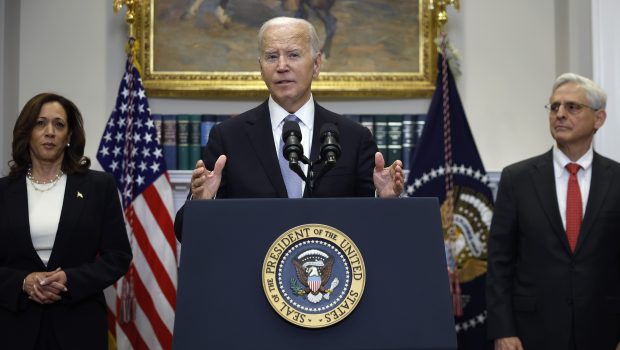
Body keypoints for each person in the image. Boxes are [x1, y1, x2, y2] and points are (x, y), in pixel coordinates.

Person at [174, 16, 404, 240]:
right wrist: (203, 202)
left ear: (316, 65)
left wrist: (384, 199)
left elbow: (381, 231)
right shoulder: (228, 137)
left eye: (293, 55)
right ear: (261, 68)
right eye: (272, 57)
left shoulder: (354, 137)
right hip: (250, 274)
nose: (282, 66)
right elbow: (186, 232)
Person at [486, 73, 620, 350]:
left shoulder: (617, 179)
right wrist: (503, 330)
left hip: (603, 330)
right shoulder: (517, 179)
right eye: (554, 106)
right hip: (530, 333)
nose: (560, 114)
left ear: (599, 119)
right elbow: (499, 262)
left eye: (572, 107)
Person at [0, 93, 132, 350]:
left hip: (79, 325)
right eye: (40, 123)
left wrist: (70, 279)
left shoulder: (98, 186)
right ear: (27, 132)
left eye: (59, 124)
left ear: (70, 136)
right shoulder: (3, 192)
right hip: (14, 328)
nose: (49, 131)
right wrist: (22, 283)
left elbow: (118, 256)